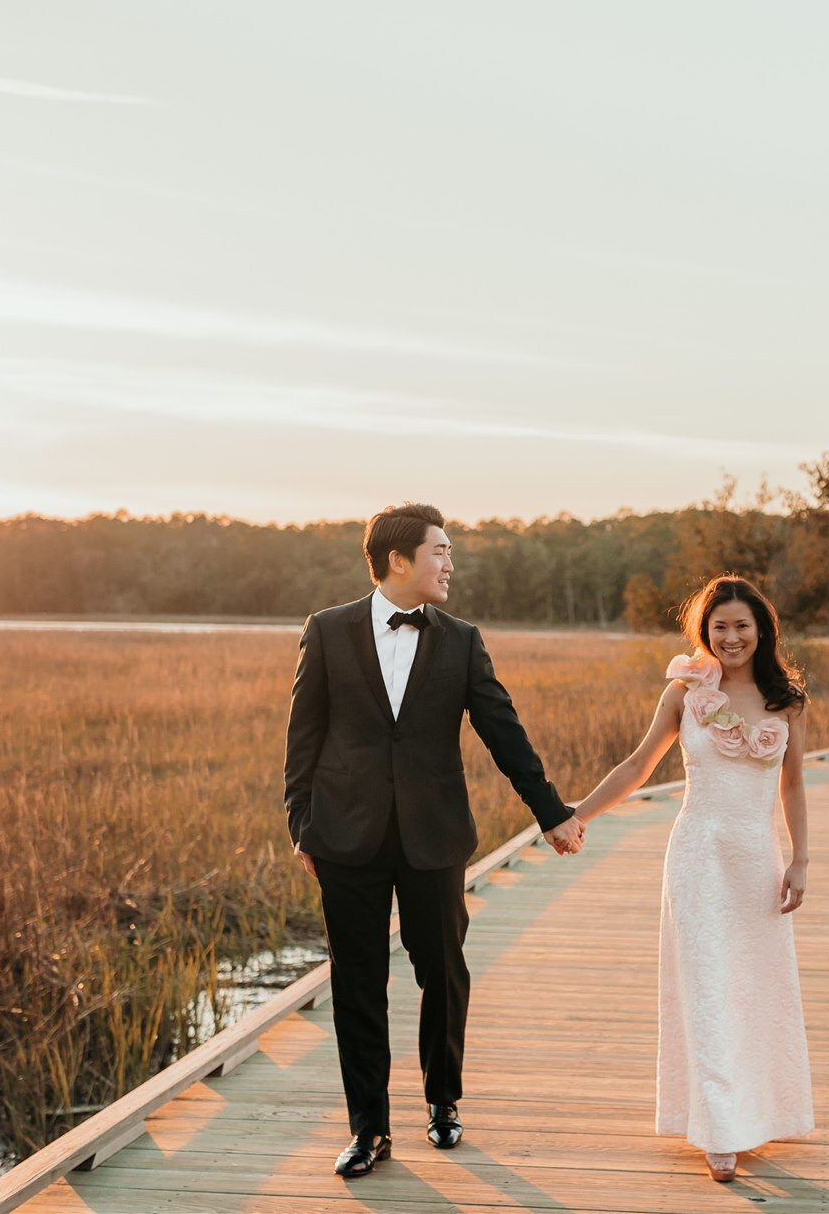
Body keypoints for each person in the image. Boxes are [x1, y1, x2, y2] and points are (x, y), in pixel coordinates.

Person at [283, 502, 589, 1179]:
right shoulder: (328, 631)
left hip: (434, 837)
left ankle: (443, 1100)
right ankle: (368, 1129)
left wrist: (551, 811)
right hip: (345, 837)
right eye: (441, 551)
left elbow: (503, 731)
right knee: (356, 983)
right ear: (400, 559)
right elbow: (303, 735)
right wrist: (302, 823)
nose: (451, 562)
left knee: (443, 973)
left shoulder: (462, 639)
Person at [573, 574, 814, 1182]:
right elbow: (637, 764)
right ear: (703, 632)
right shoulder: (685, 693)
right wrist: (575, 816)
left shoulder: (788, 701)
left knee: (754, 987)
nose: (730, 637)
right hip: (698, 859)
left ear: (762, 630)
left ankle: (762, 1109)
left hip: (756, 860)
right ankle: (719, 1130)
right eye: (719, 626)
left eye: (741, 625)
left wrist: (800, 859)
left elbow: (792, 784)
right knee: (707, 987)